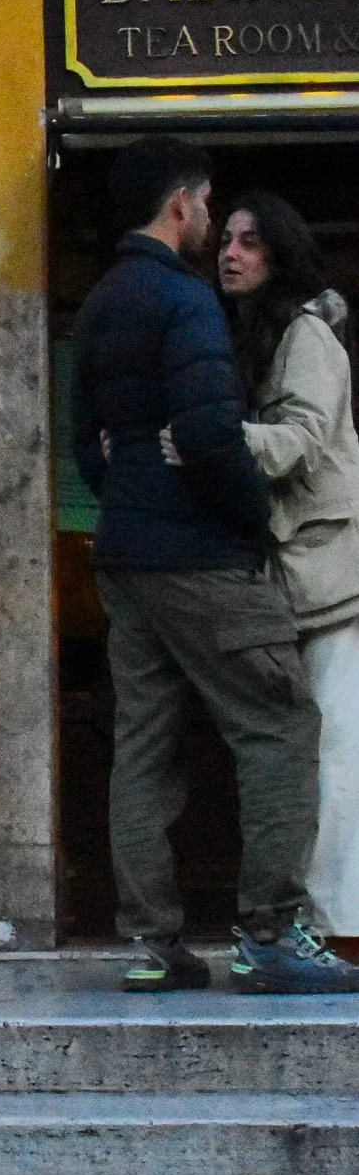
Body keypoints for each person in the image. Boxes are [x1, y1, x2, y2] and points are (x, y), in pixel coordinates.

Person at [72, 135, 359, 994]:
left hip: (127, 557)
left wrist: (130, 501)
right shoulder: (186, 304)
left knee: (144, 749)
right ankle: (270, 934)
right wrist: (240, 527)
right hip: (201, 558)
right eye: (211, 216)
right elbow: (205, 440)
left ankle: (154, 945)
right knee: (280, 731)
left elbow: (87, 445)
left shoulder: (97, 306)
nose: (221, 240)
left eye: (248, 239)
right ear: (181, 205)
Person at [214, 191, 359, 941]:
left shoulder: (306, 335)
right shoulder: (264, 333)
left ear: (281, 253)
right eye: (227, 239)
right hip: (306, 572)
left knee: (334, 754)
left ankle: (338, 925)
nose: (230, 253)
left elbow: (299, 437)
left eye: (250, 242)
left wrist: (212, 437)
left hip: (332, 577)